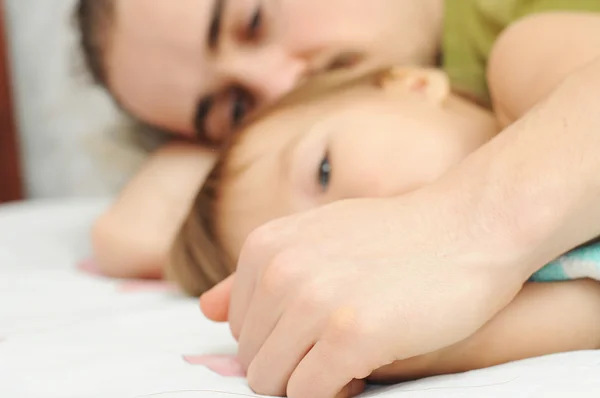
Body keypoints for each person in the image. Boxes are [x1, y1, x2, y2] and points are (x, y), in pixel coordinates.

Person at [195, 12, 600, 398]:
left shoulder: (524, 58)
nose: (351, 236)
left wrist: (453, 220)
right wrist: (407, 350)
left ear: (411, 85)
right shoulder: (527, 283)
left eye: (323, 171)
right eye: (323, 259)